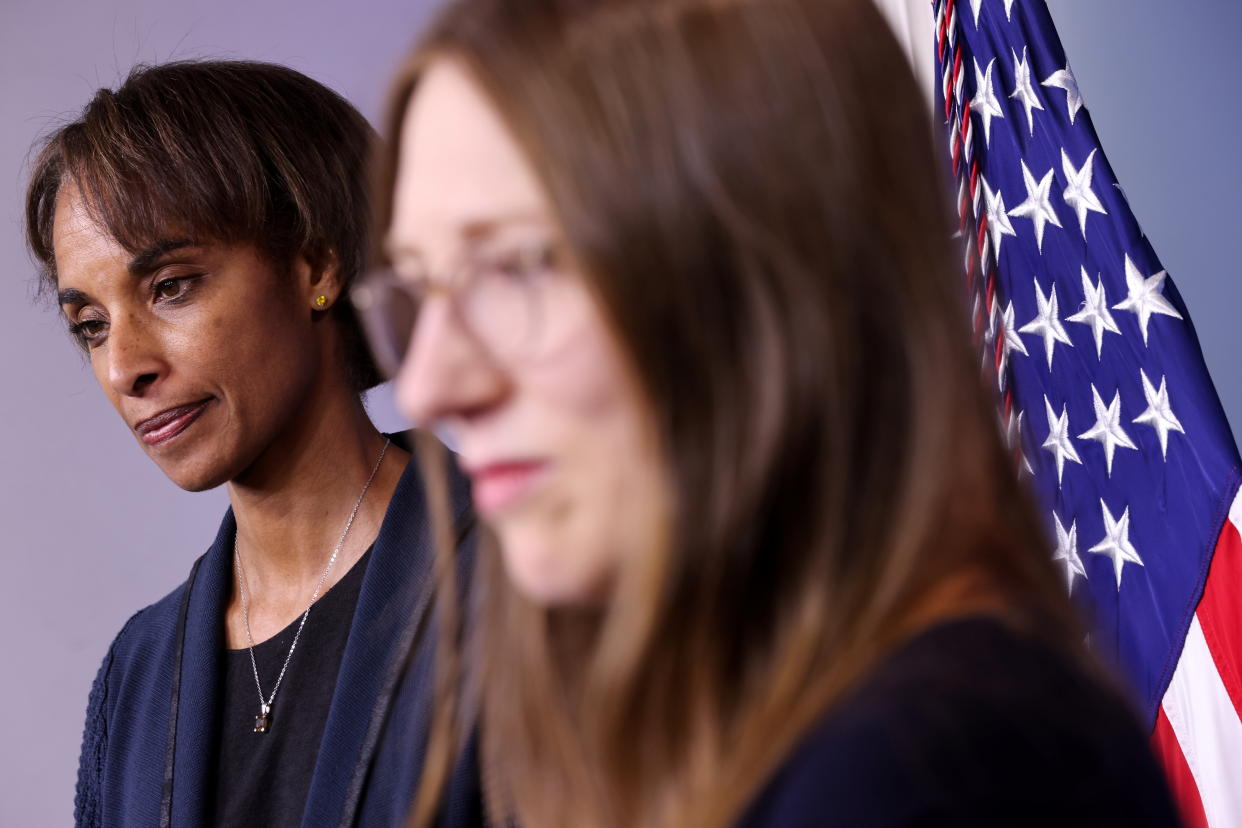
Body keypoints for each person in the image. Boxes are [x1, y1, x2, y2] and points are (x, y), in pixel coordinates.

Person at [356, 0, 1184, 825]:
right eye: (418, 288)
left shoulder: (928, 779)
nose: (427, 385)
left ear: (765, 289)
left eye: (515, 267)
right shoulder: (759, 740)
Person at [25, 60, 480, 827]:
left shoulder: (520, 579)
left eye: (170, 286)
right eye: (91, 327)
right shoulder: (136, 679)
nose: (125, 367)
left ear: (317, 265)